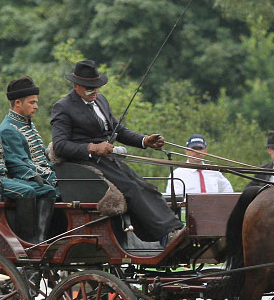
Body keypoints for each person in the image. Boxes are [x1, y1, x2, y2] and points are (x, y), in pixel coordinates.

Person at [50, 60, 184, 244]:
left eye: (96, 87)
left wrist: (144, 140)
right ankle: (165, 235)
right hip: (85, 164)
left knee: (148, 188)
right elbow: (59, 145)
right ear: (76, 86)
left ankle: (175, 228)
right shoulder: (63, 107)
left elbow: (117, 130)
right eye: (89, 89)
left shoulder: (100, 101)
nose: (94, 92)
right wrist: (93, 147)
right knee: (132, 189)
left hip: (107, 160)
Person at [0, 76, 58, 194]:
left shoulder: (26, 123)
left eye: (36, 102)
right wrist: (53, 176)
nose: (36, 106)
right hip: (27, 179)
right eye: (32, 102)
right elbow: (24, 163)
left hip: (42, 173)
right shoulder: (9, 129)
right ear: (17, 103)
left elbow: (42, 157)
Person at [165, 134, 233, 197]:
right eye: (193, 149)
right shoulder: (177, 174)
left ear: (205, 151)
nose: (197, 152)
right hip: (189, 209)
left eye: (200, 148)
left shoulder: (214, 171)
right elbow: (175, 200)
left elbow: (229, 192)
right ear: (186, 151)